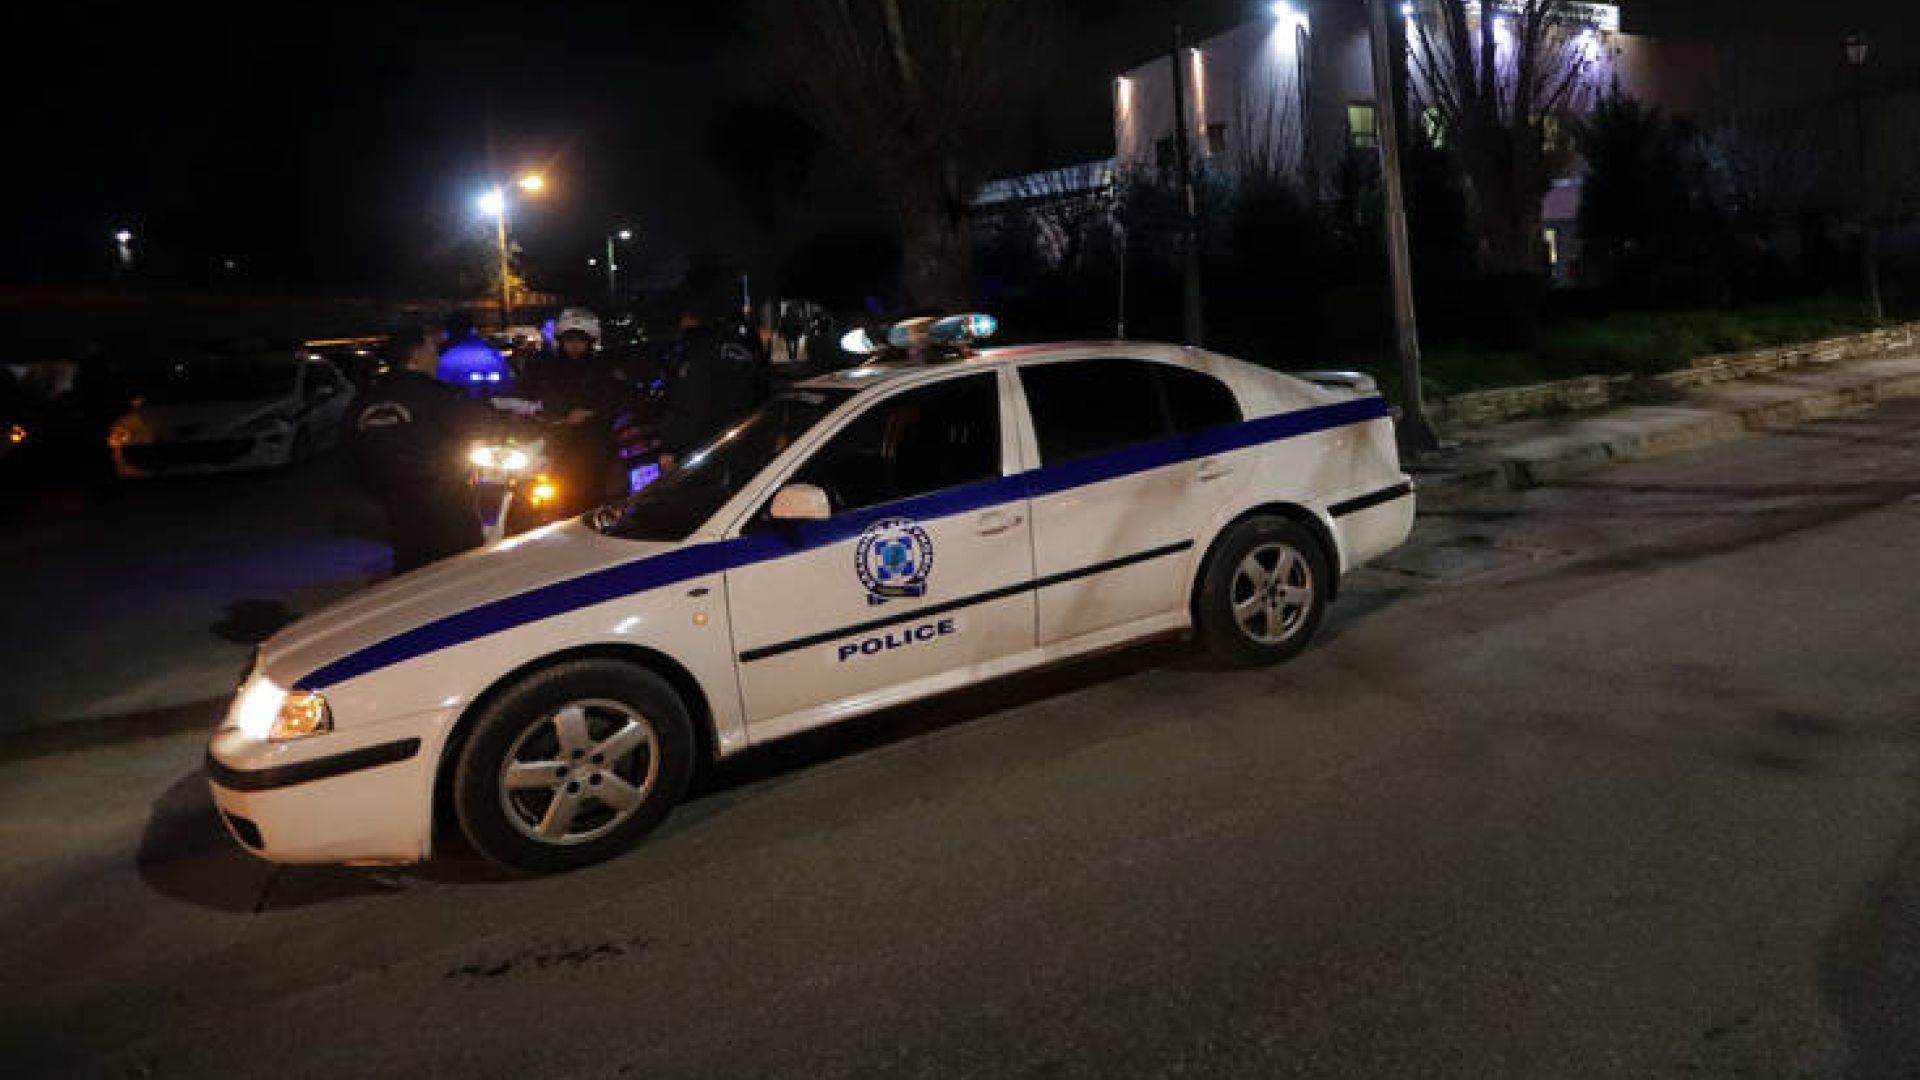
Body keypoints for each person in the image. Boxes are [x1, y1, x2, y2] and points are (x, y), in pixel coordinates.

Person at [352, 323, 488, 573]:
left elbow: (350, 455)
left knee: (411, 569)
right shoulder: (435, 394)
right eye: (432, 351)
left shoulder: (365, 398)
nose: (436, 358)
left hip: (396, 506)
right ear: (416, 356)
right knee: (464, 570)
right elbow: (474, 424)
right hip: (446, 504)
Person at [527, 307, 627, 504]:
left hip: (593, 443)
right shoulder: (550, 368)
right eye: (569, 340)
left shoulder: (603, 368)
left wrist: (591, 412)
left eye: (580, 340)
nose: (574, 345)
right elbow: (531, 391)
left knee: (588, 495)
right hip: (557, 441)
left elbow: (617, 399)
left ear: (589, 342)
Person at [657, 294, 773, 466]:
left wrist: (672, 447)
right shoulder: (741, 345)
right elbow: (760, 387)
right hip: (744, 434)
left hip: (709, 446)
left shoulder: (696, 351)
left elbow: (691, 404)